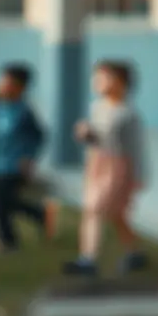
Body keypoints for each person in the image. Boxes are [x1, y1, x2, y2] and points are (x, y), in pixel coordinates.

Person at [62, 59, 149, 276]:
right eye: (97, 77)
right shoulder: (98, 107)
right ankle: (131, 252)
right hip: (97, 164)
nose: (98, 82)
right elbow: (98, 139)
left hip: (119, 168)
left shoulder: (128, 113)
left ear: (121, 82)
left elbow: (135, 149)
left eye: (104, 77)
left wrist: (138, 176)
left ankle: (89, 259)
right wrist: (86, 134)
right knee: (112, 213)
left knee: (96, 209)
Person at [0, 63, 58, 255]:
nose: (0, 86)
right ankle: (40, 214)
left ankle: (7, 242)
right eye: (0, 82)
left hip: (15, 165)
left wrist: (29, 157)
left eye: (6, 83)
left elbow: (39, 136)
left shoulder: (24, 111)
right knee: (7, 202)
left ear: (19, 87)